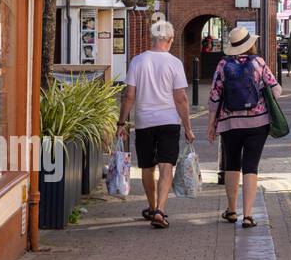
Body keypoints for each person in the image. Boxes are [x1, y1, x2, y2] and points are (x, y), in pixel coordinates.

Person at [117, 19, 193, 230]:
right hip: (169, 121)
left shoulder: (137, 62)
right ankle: (160, 209)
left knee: (147, 166)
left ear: (152, 39)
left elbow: (129, 96)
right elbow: (181, 99)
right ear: (169, 40)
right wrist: (187, 126)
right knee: (166, 165)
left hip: (144, 122)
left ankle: (151, 207)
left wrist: (121, 122)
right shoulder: (174, 63)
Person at [206, 26, 280, 228]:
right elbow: (277, 90)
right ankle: (248, 215)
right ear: (250, 44)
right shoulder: (258, 63)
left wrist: (211, 124)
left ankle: (231, 210)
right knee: (251, 167)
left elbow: (214, 96)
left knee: (232, 164)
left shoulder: (223, 64)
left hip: (230, 123)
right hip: (258, 123)